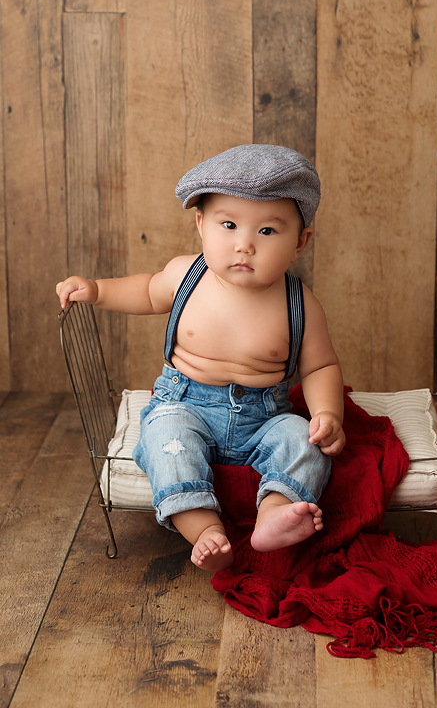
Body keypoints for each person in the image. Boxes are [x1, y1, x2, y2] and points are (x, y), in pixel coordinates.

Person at [57, 144, 345, 572]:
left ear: (300, 242)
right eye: (228, 225)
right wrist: (98, 290)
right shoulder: (185, 275)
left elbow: (320, 366)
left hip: (262, 417)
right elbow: (144, 290)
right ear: (200, 225)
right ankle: (204, 529)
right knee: (164, 440)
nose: (244, 244)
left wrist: (327, 414)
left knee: (301, 439)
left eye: (267, 231)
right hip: (184, 405)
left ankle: (274, 514)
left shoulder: (299, 303)